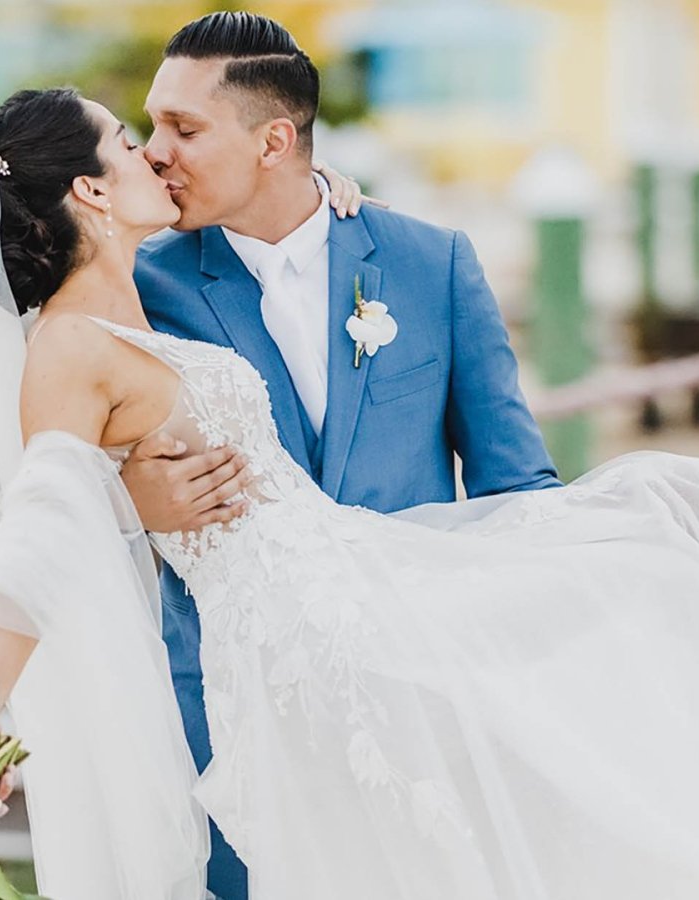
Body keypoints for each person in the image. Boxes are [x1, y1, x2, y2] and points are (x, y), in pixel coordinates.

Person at [0, 53, 699, 900]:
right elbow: (45, 519)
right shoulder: (68, 348)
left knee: (663, 517)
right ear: (88, 187)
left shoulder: (134, 299)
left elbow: (149, 422)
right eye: (132, 142)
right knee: (655, 540)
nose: (153, 156)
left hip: (356, 576)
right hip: (315, 634)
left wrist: (310, 192)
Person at [115, 14, 561, 895]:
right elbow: (59, 477)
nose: (156, 150)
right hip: (228, 718)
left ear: (276, 140)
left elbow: (518, 487)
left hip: (419, 705)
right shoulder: (134, 285)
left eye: (186, 129)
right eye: (153, 124)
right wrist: (135, 502)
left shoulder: (429, 263)